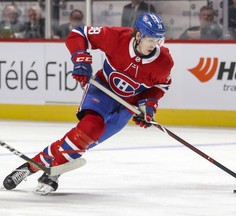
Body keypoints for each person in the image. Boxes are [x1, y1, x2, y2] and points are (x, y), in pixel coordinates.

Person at [3, 13, 174, 195]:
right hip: (102, 90)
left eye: (159, 39)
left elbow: (160, 85)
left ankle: (29, 168)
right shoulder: (117, 37)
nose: (155, 44)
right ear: (138, 35)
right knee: (89, 129)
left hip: (126, 107)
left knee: (80, 142)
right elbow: (78, 33)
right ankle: (51, 175)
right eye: (151, 39)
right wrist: (80, 58)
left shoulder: (164, 61)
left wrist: (148, 106)